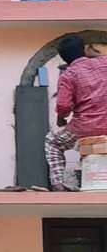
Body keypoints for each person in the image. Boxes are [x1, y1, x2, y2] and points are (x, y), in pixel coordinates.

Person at [45, 35, 107, 190]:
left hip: (85, 128)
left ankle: (59, 184)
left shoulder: (68, 75)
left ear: (64, 58)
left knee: (52, 143)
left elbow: (63, 106)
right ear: (84, 49)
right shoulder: (104, 62)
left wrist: (61, 120)